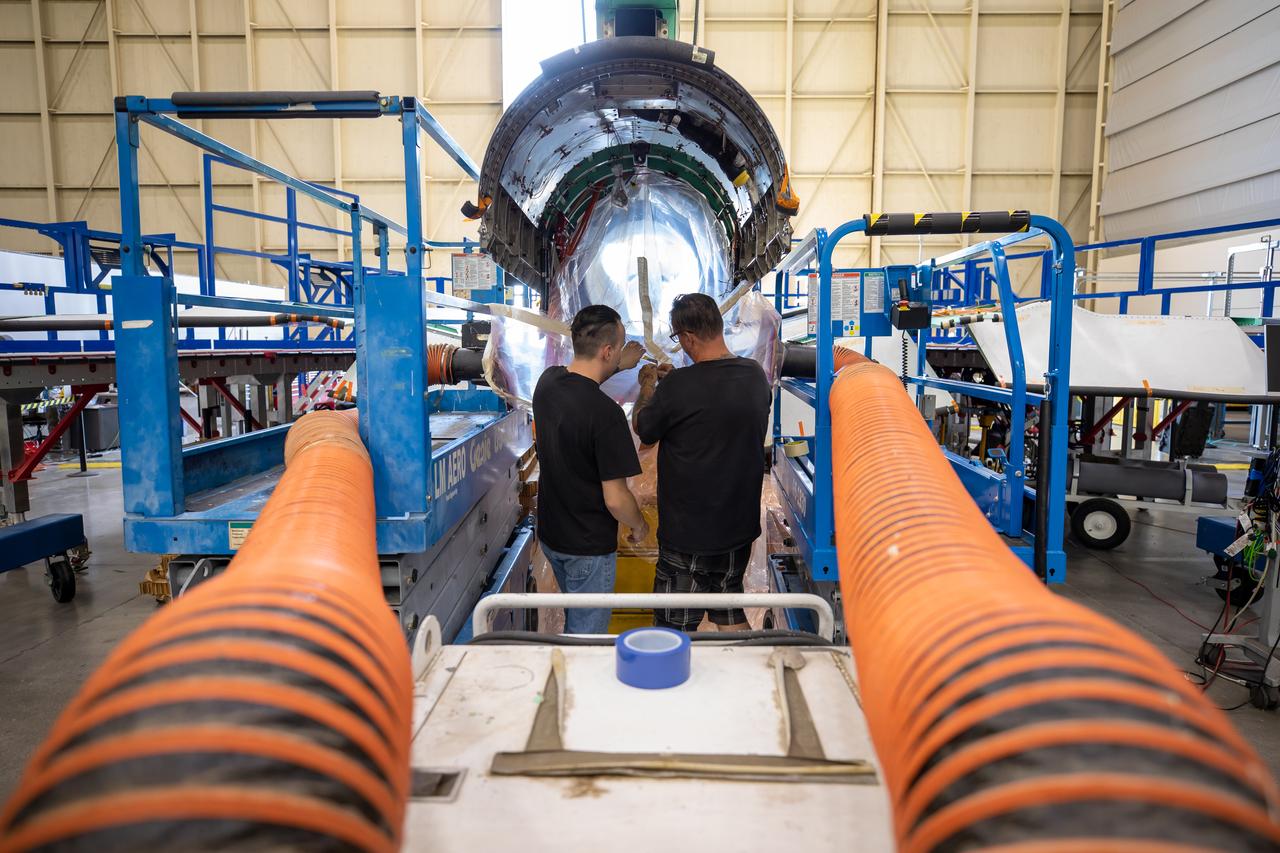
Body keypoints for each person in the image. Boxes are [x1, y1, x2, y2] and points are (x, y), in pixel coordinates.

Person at [632, 293, 771, 632]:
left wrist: (649, 385)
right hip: (738, 530)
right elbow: (712, 401)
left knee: (673, 628)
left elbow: (645, 429)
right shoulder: (754, 376)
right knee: (729, 610)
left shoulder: (679, 386)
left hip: (688, 535)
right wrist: (676, 384)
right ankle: (744, 676)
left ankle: (672, 682)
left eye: (679, 339)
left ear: (688, 337)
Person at [533, 304, 649, 634]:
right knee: (586, 638)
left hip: (553, 536)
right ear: (607, 350)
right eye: (619, 347)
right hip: (588, 549)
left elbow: (582, 384)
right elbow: (616, 500)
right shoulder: (606, 416)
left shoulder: (548, 383)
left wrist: (618, 366)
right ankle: (575, 684)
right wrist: (639, 525)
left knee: (574, 619)